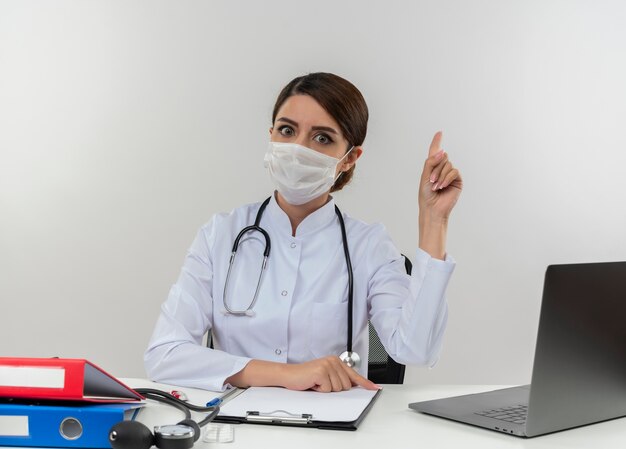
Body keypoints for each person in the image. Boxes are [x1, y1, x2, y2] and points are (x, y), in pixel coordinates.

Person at [144, 72, 463, 393]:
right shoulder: (221, 235)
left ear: (350, 158)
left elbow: (414, 350)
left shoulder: (369, 246)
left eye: (322, 137)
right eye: (287, 130)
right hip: (235, 426)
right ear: (271, 136)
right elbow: (164, 353)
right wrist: (285, 374)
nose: (298, 148)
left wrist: (433, 221)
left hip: (333, 427)